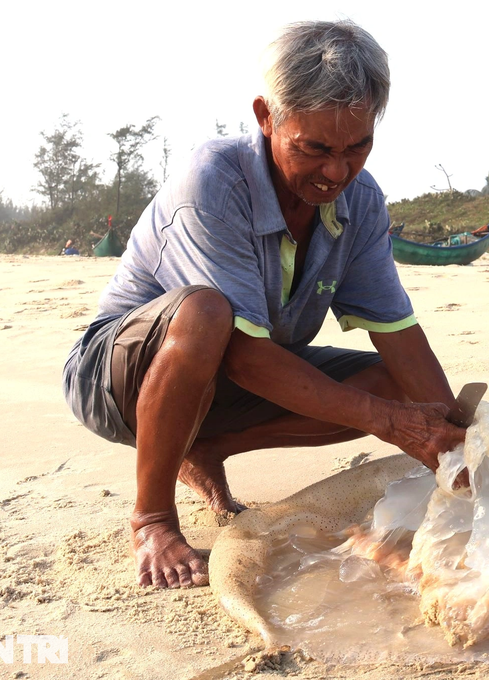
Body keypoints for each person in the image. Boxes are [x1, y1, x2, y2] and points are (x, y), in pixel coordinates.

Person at [62, 20, 465, 589]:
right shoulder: (213, 183)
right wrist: (390, 425)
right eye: (315, 148)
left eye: (358, 147)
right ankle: (151, 517)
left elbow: (398, 335)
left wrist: (456, 448)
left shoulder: (361, 201)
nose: (336, 171)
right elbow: (243, 354)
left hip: (231, 384)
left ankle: (201, 449)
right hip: (119, 382)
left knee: (406, 393)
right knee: (207, 313)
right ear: (265, 116)